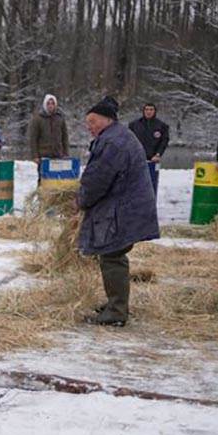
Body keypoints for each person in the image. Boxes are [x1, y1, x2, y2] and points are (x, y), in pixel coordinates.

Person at [77, 96, 160, 327]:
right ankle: (116, 304)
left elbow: (98, 179)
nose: (89, 126)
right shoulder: (117, 136)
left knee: (112, 254)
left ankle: (116, 312)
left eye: (92, 121)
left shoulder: (112, 142)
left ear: (106, 120)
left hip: (125, 208)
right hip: (129, 205)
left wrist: (81, 200)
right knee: (113, 254)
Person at [128, 103, 170, 197]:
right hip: (137, 160)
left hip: (153, 160)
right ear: (143, 111)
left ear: (154, 111)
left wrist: (158, 154)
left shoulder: (162, 126)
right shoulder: (134, 125)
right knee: (136, 185)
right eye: (147, 109)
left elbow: (164, 141)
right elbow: (129, 141)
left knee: (151, 184)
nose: (149, 112)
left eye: (151, 109)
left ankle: (151, 205)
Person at [27, 94, 70, 182]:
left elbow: (65, 137)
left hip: (58, 154)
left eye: (52, 103)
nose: (50, 106)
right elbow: (33, 138)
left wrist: (66, 152)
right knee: (43, 179)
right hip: (44, 154)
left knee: (57, 179)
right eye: (48, 103)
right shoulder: (38, 119)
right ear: (45, 105)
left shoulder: (60, 118)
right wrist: (35, 155)